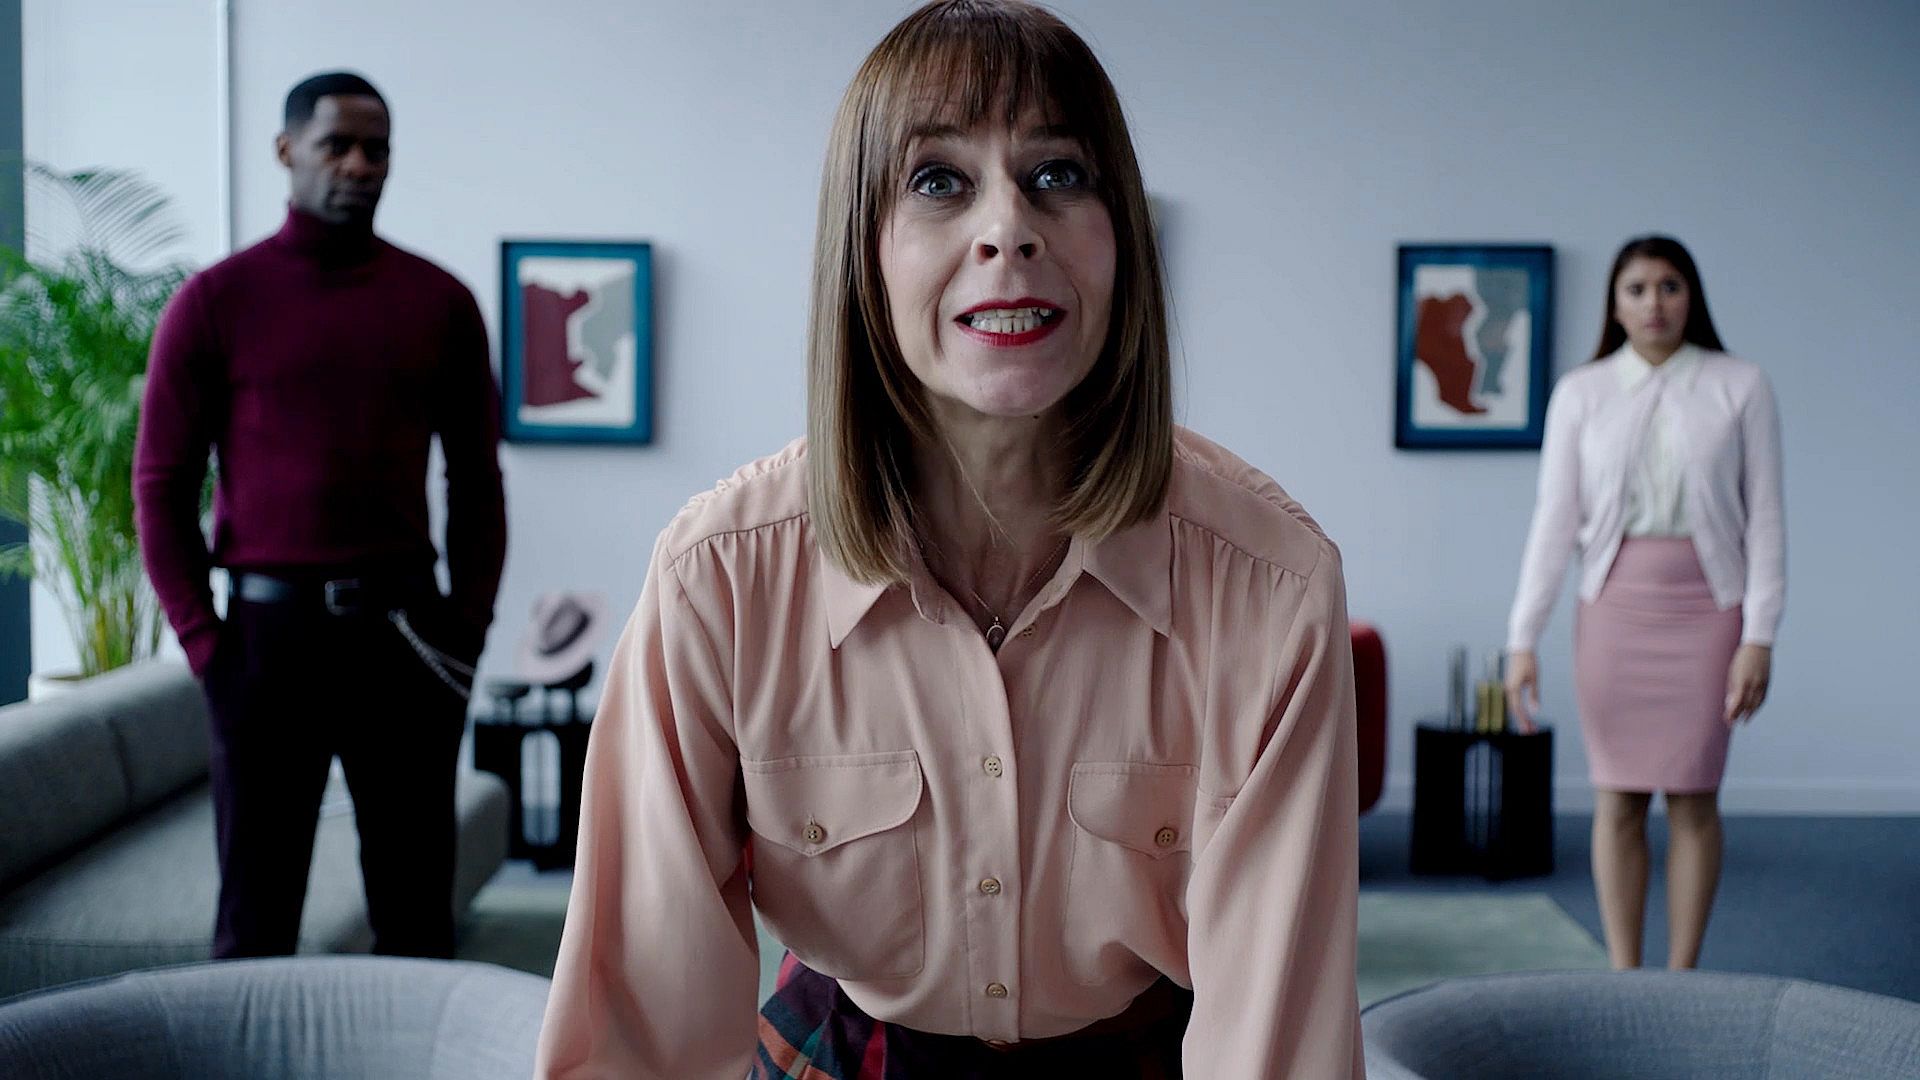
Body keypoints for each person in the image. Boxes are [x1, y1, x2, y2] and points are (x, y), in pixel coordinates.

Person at [534, 3, 1363, 1077]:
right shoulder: (718, 579)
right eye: (937, 180)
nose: (1008, 229)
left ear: (1123, 239)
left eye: (1059, 174)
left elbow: (1274, 1046)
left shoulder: (1272, 588)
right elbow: (636, 1036)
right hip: (847, 1045)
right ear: (863, 253)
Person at [133, 71, 507, 960]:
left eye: (377, 149)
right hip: (266, 646)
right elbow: (160, 484)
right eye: (337, 144)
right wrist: (205, 644)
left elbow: (476, 482)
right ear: (286, 150)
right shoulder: (214, 302)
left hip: (407, 637)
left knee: (416, 920)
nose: (359, 164)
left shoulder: (440, 303)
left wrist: (465, 630)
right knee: (254, 924)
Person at [1504, 235, 1785, 970]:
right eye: (1636, 288)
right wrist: (1522, 638)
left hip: (1710, 615)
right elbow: (1553, 522)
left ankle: (1682, 976)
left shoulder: (1742, 386)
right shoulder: (1581, 392)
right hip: (1613, 615)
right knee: (1619, 798)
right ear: (1615, 304)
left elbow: (1766, 521)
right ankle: (1623, 975)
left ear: (1691, 296)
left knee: (1694, 797)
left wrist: (1759, 636)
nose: (1653, 303)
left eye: (1669, 286)